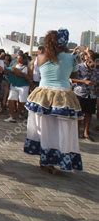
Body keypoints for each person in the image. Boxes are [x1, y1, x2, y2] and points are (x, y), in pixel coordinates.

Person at [24, 29, 83, 173]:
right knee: (63, 131)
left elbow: (35, 76)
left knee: (44, 129)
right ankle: (60, 160)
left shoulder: (40, 57)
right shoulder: (71, 58)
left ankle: (45, 160)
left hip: (42, 96)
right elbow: (74, 73)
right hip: (63, 96)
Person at [72, 50, 98, 141]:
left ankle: (86, 133)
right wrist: (84, 81)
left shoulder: (96, 68)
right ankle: (77, 132)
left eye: (93, 60)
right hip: (80, 93)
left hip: (92, 94)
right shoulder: (79, 67)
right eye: (90, 59)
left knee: (89, 114)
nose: (92, 62)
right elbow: (72, 79)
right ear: (86, 59)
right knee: (79, 114)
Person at [4, 53, 30, 122]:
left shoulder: (26, 67)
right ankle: (12, 116)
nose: (18, 58)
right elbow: (8, 70)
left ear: (23, 59)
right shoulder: (14, 66)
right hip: (14, 85)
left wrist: (14, 71)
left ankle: (21, 115)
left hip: (23, 86)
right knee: (10, 100)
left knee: (22, 102)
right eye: (17, 57)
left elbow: (21, 75)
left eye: (19, 57)